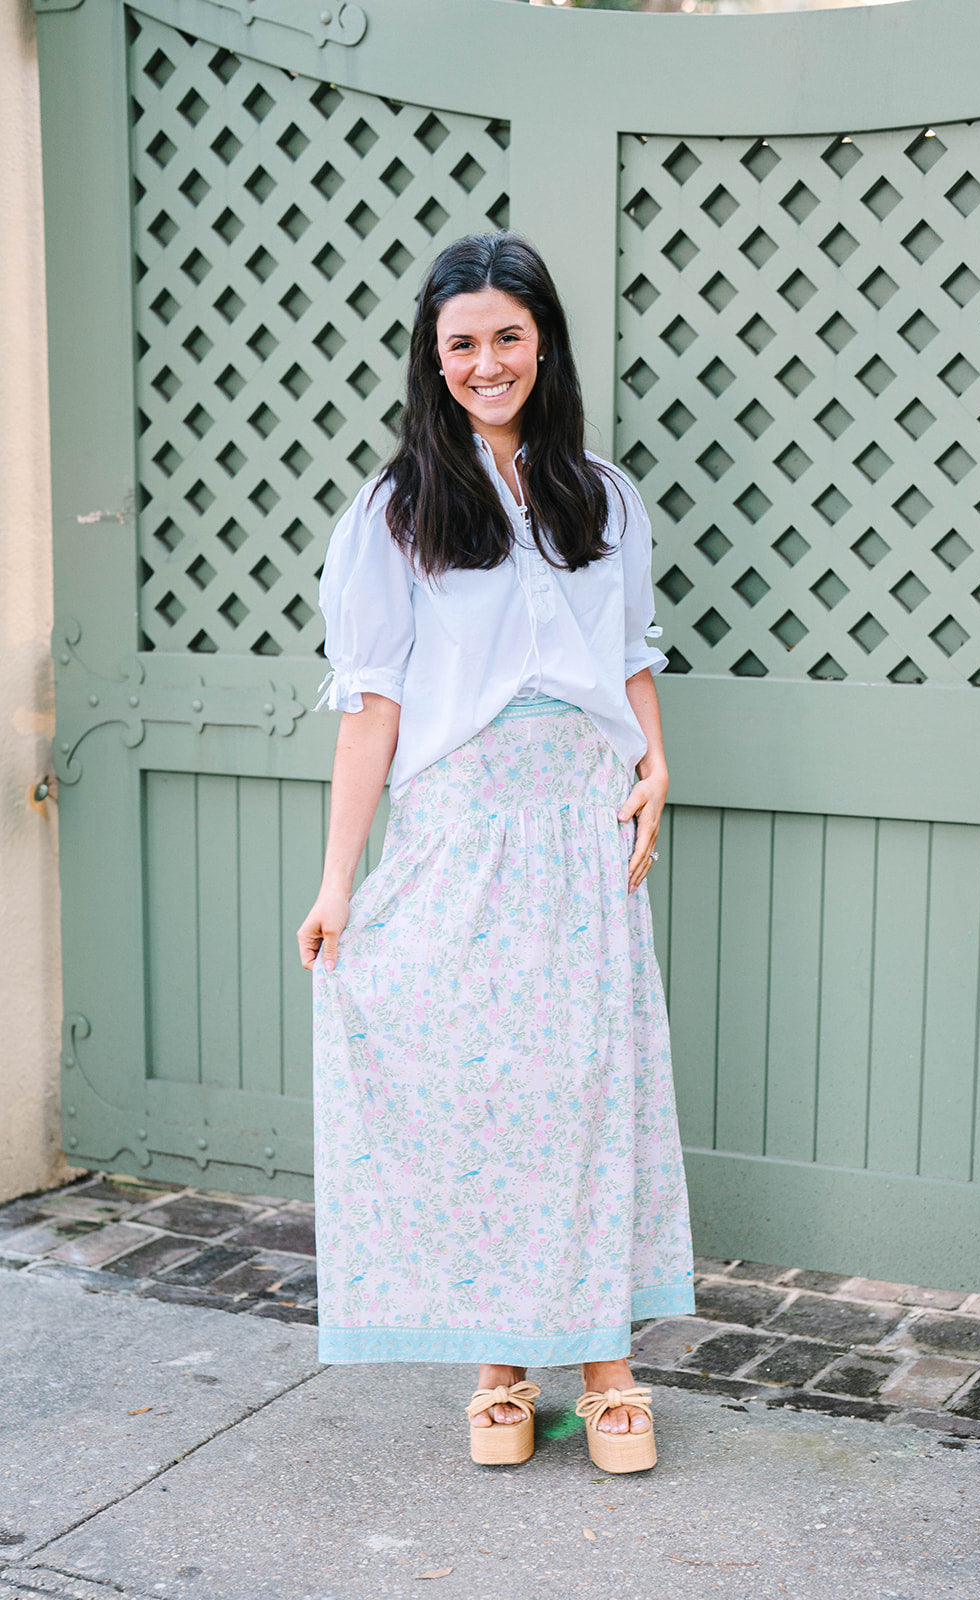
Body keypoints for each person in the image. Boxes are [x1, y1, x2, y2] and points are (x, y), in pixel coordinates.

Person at [297, 232, 694, 1474]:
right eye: (460, 342)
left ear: (543, 343)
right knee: (484, 1096)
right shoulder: (395, 510)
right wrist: (337, 881)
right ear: (433, 356)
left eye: (507, 337)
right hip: (460, 828)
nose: (485, 363)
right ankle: (497, 1365)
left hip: (584, 824)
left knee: (587, 1091)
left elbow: (627, 655)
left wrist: (656, 764)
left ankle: (606, 1366)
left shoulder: (603, 495)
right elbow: (373, 706)